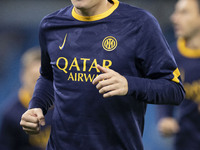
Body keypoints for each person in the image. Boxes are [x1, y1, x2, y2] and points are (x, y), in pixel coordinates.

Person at [20, 0, 185, 150]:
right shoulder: (51, 25)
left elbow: (174, 90)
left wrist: (129, 85)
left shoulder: (140, 23)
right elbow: (49, 76)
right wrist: (36, 106)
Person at [157, 0, 200, 149]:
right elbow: (166, 93)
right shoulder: (172, 55)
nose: (174, 18)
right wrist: (165, 119)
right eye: (176, 12)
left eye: (184, 12)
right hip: (186, 143)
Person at [0, 47, 53, 150]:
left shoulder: (64, 108)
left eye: (44, 80)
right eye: (34, 79)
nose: (39, 86)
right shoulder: (11, 114)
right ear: (23, 75)